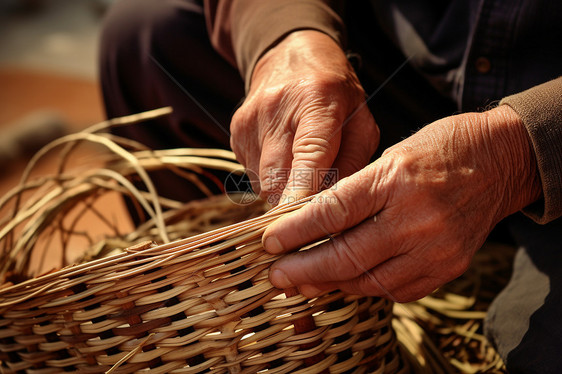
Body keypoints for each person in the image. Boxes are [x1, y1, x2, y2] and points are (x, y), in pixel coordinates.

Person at [100, 1, 562, 371]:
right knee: (146, 37)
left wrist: (516, 157)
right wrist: (289, 37)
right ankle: (217, 335)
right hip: (409, 84)